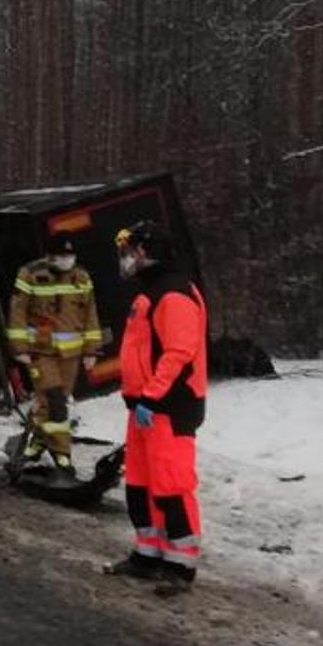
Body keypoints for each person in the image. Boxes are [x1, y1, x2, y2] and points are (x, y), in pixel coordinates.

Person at [104, 220, 209, 596]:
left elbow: (178, 353)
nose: (126, 258)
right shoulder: (150, 292)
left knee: (171, 485)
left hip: (168, 407)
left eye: (130, 250)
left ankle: (181, 565)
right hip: (145, 407)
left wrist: (153, 395)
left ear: (147, 251)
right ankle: (148, 555)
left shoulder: (174, 294)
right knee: (141, 484)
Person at [6, 234, 104, 481]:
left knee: (51, 401)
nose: (65, 261)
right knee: (55, 399)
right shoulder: (30, 274)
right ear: (49, 256)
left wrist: (92, 349)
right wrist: (20, 349)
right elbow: (17, 312)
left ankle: (38, 441)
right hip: (41, 351)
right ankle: (62, 454)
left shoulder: (81, 278)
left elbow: (90, 315)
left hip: (70, 352)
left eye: (69, 256)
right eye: (60, 256)